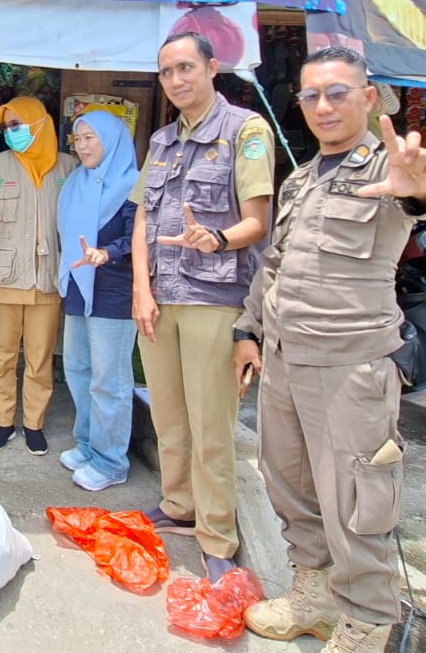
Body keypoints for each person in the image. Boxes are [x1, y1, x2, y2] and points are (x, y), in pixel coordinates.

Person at [238, 47, 426, 653]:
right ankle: (312, 597)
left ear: (367, 98)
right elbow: (275, 266)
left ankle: (366, 624)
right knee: (290, 486)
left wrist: (424, 186)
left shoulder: (390, 169)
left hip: (350, 367)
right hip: (284, 361)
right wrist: (247, 331)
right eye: (311, 95)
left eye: (337, 93)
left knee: (358, 502)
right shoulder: (301, 180)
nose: (323, 106)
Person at [129, 30, 276, 582]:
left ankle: (216, 534)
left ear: (213, 68)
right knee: (168, 414)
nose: (176, 80)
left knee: (211, 423)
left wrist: (215, 238)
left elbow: (257, 221)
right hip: (160, 297)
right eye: (167, 72)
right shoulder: (162, 140)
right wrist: (141, 289)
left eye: (186, 67)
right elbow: (143, 216)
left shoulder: (245, 131)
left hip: (214, 298)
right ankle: (179, 505)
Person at [0, 96, 76, 455]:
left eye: (16, 125)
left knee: (40, 358)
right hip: (3, 277)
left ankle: (33, 424)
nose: (9, 132)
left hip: (46, 278)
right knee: (1, 356)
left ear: (39, 122)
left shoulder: (67, 167)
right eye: (4, 127)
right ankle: (2, 422)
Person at [57, 111, 140, 492]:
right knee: (78, 369)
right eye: (78, 138)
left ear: (112, 140)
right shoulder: (77, 182)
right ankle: (88, 443)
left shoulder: (131, 185)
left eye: (91, 137)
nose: (82, 146)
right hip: (78, 282)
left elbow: (139, 238)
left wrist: (106, 253)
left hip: (114, 290)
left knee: (109, 379)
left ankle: (111, 461)